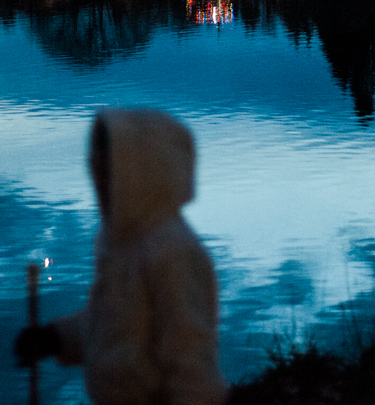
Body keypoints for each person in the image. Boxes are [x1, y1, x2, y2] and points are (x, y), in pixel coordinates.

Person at [14, 108, 228, 405]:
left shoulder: (174, 253)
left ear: (144, 173)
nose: (99, 184)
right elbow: (113, 322)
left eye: (110, 173)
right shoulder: (115, 240)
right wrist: (56, 338)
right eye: (96, 171)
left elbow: (191, 363)